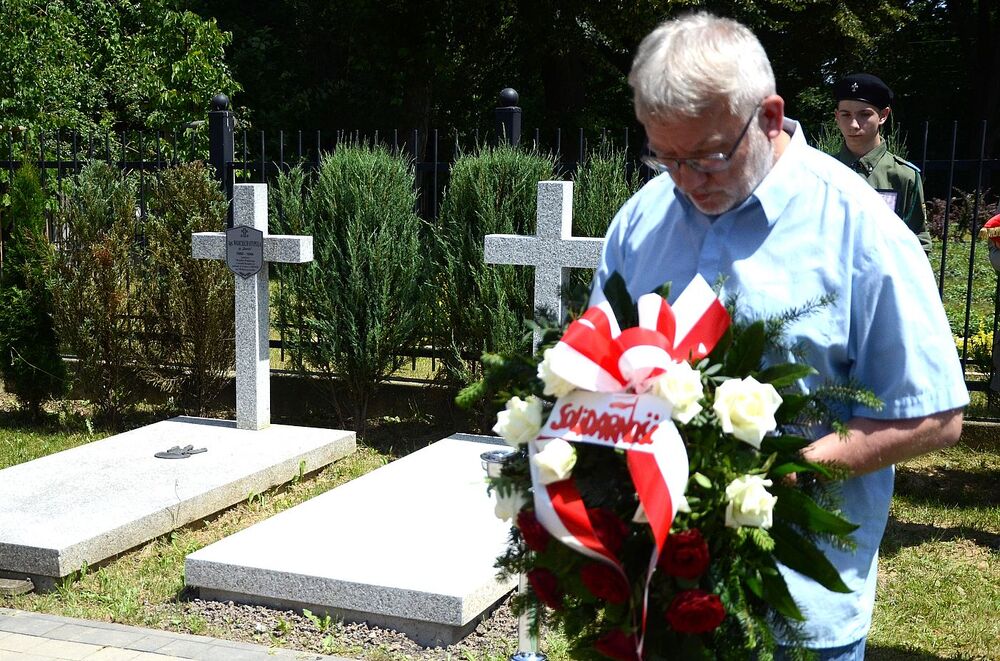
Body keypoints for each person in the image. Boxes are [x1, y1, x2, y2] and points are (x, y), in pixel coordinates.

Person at [591, 12, 967, 659]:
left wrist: (780, 473)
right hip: (652, 592)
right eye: (666, 156)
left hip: (798, 610)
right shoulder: (641, 220)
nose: (686, 179)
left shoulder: (862, 229)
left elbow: (934, 414)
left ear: (769, 117)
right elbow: (598, 362)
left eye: (708, 156)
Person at [833, 73, 931, 253]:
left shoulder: (903, 176)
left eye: (864, 114)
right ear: (837, 116)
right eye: (846, 114)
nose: (853, 124)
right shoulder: (820, 171)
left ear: (883, 115)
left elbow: (918, 241)